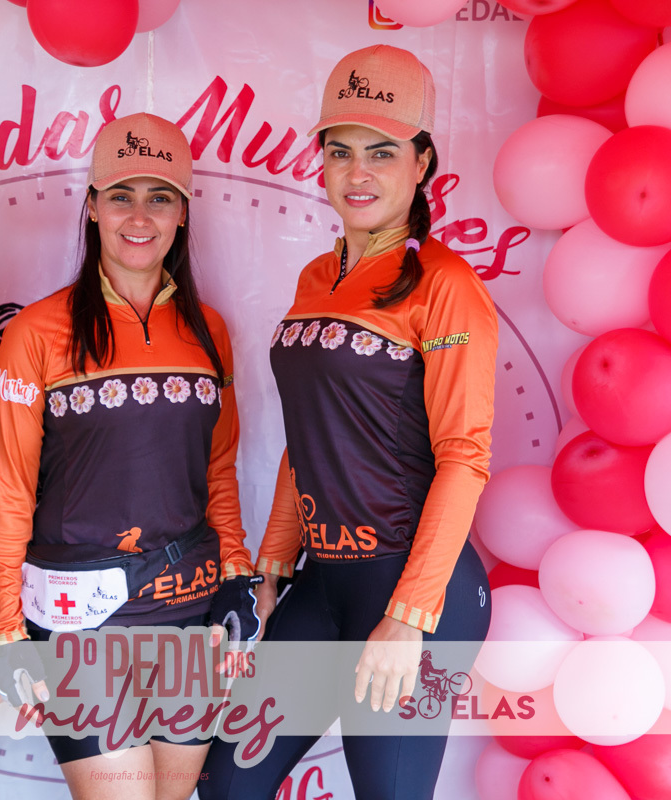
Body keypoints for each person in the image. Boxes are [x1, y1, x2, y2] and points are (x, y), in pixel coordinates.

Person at [201, 45, 497, 799]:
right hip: (323, 581)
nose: (357, 173)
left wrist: (410, 617)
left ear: (421, 163)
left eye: (381, 152)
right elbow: (309, 436)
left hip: (417, 589)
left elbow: (464, 456)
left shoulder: (446, 284)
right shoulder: (316, 277)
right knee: (229, 783)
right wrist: (272, 566)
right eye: (340, 152)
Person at [0, 112, 260, 800]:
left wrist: (236, 574)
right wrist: (5, 627)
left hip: (188, 606)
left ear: (183, 213)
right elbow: (10, 488)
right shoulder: (36, 332)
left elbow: (218, 470)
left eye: (160, 197)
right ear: (92, 206)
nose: (140, 217)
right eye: (121, 196)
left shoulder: (209, 330)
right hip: (78, 616)